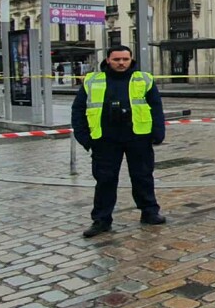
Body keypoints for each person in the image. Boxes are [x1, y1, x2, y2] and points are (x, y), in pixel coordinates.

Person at [71, 45, 167, 238]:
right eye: (117, 59)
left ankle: (149, 212)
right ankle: (101, 220)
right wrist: (85, 138)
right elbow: (78, 110)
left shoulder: (144, 79)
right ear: (108, 60)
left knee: (143, 176)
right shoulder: (92, 80)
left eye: (125, 59)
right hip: (105, 140)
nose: (121, 63)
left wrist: (158, 132)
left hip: (138, 137)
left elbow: (156, 107)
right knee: (105, 180)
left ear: (131, 59)